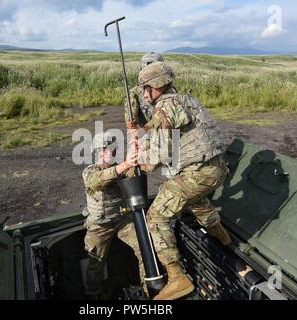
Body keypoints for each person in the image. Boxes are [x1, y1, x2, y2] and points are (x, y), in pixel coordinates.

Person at [136, 62, 232, 300]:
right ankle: (223, 237)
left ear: (158, 85)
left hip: (199, 172)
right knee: (194, 199)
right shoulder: (186, 99)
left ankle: (178, 278)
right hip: (217, 168)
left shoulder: (164, 109)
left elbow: (161, 154)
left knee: (157, 216)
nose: (145, 94)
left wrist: (139, 160)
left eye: (147, 88)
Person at [82, 131, 144, 298]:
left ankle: (148, 286)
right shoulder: (90, 171)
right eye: (108, 149)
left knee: (144, 246)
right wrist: (125, 164)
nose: (112, 152)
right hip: (99, 226)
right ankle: (93, 295)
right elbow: (96, 181)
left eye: (114, 148)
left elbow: (136, 173)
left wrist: (139, 157)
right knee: (95, 264)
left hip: (122, 220)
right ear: (99, 152)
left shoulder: (120, 167)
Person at [125, 52, 164, 130]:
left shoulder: (169, 91)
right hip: (146, 133)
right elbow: (131, 115)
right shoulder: (136, 92)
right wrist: (131, 122)